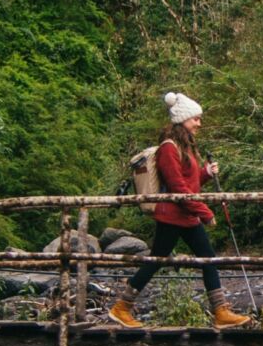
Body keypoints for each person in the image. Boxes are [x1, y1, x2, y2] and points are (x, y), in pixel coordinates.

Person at [108, 92, 252, 329]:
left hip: (183, 215)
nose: (199, 124)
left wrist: (205, 173)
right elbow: (177, 187)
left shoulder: (184, 147)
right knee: (163, 260)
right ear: (183, 118)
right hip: (173, 215)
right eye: (196, 119)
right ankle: (121, 308)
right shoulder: (168, 148)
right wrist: (204, 212)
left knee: (201, 258)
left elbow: (189, 182)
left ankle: (220, 312)